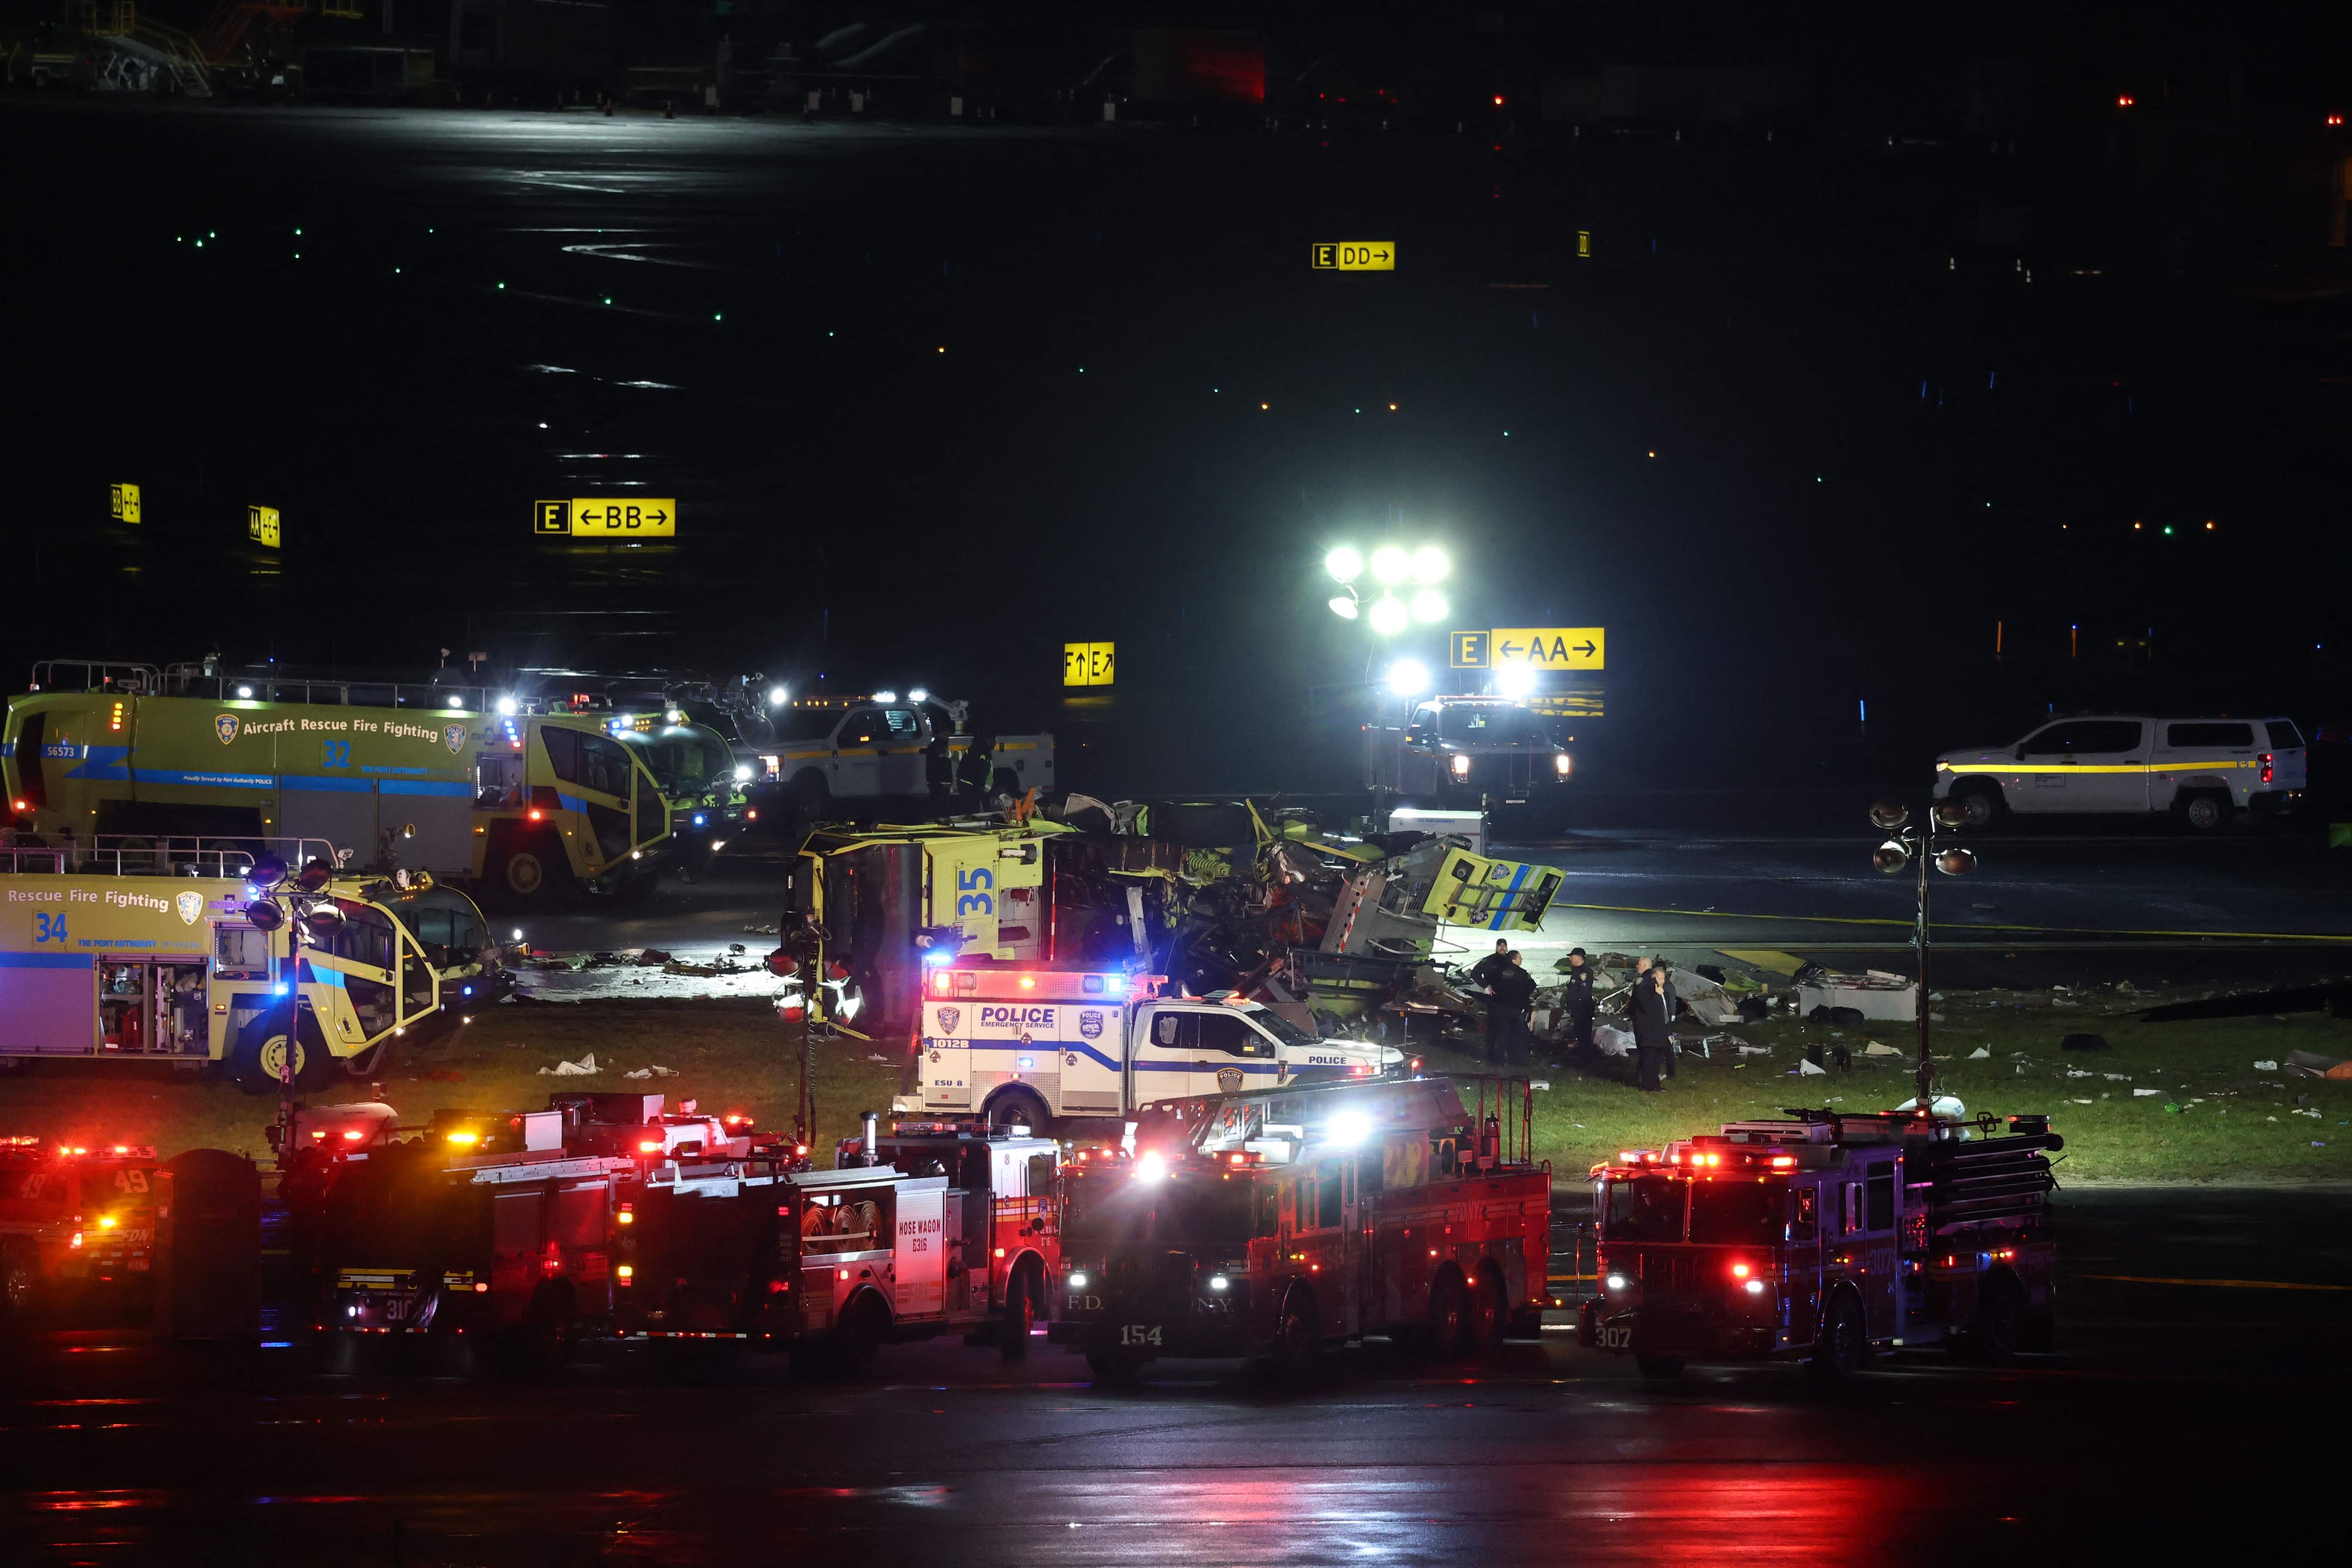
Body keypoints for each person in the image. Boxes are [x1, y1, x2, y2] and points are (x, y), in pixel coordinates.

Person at [1491, 951, 1538, 1067]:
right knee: (1519, 1034)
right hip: (1516, 1008)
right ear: (1514, 960)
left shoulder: (1499, 972)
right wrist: (1523, 995)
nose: (1521, 960)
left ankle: (1499, 1059)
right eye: (1520, 958)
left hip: (1501, 1006)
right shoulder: (1521, 973)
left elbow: (1493, 985)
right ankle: (1517, 1059)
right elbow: (1532, 986)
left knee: (1503, 1034)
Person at [1630, 964, 1672, 1091]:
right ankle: (1647, 1086)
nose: (1663, 981)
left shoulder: (1663, 991)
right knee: (1649, 1061)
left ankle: (1655, 1085)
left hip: (1661, 1032)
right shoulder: (1647, 990)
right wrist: (1657, 995)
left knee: (1657, 1061)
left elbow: (1666, 1012)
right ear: (1653, 978)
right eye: (1660, 979)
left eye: (1664, 978)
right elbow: (1648, 1008)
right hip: (1650, 1033)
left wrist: (1669, 1032)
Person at [1469, 939, 1512, 1061]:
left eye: (1504, 945)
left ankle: (1502, 1054)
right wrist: (1486, 986)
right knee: (1493, 1026)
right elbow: (1475, 973)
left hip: (1508, 997)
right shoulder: (1488, 961)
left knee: (1506, 1027)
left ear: (1507, 947)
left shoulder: (1510, 960)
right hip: (1493, 998)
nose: (1502, 948)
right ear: (1496, 947)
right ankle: (1491, 1054)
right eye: (1500, 945)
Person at [1560, 947, 1596, 1063]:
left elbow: (1583, 992)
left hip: (1583, 1008)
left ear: (1578, 957)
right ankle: (1582, 1056)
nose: (1570, 959)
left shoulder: (1585, 972)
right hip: (1577, 1008)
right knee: (1580, 1033)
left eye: (1572, 956)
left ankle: (1585, 1059)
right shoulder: (1576, 971)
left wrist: (1576, 1004)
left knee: (1584, 1034)